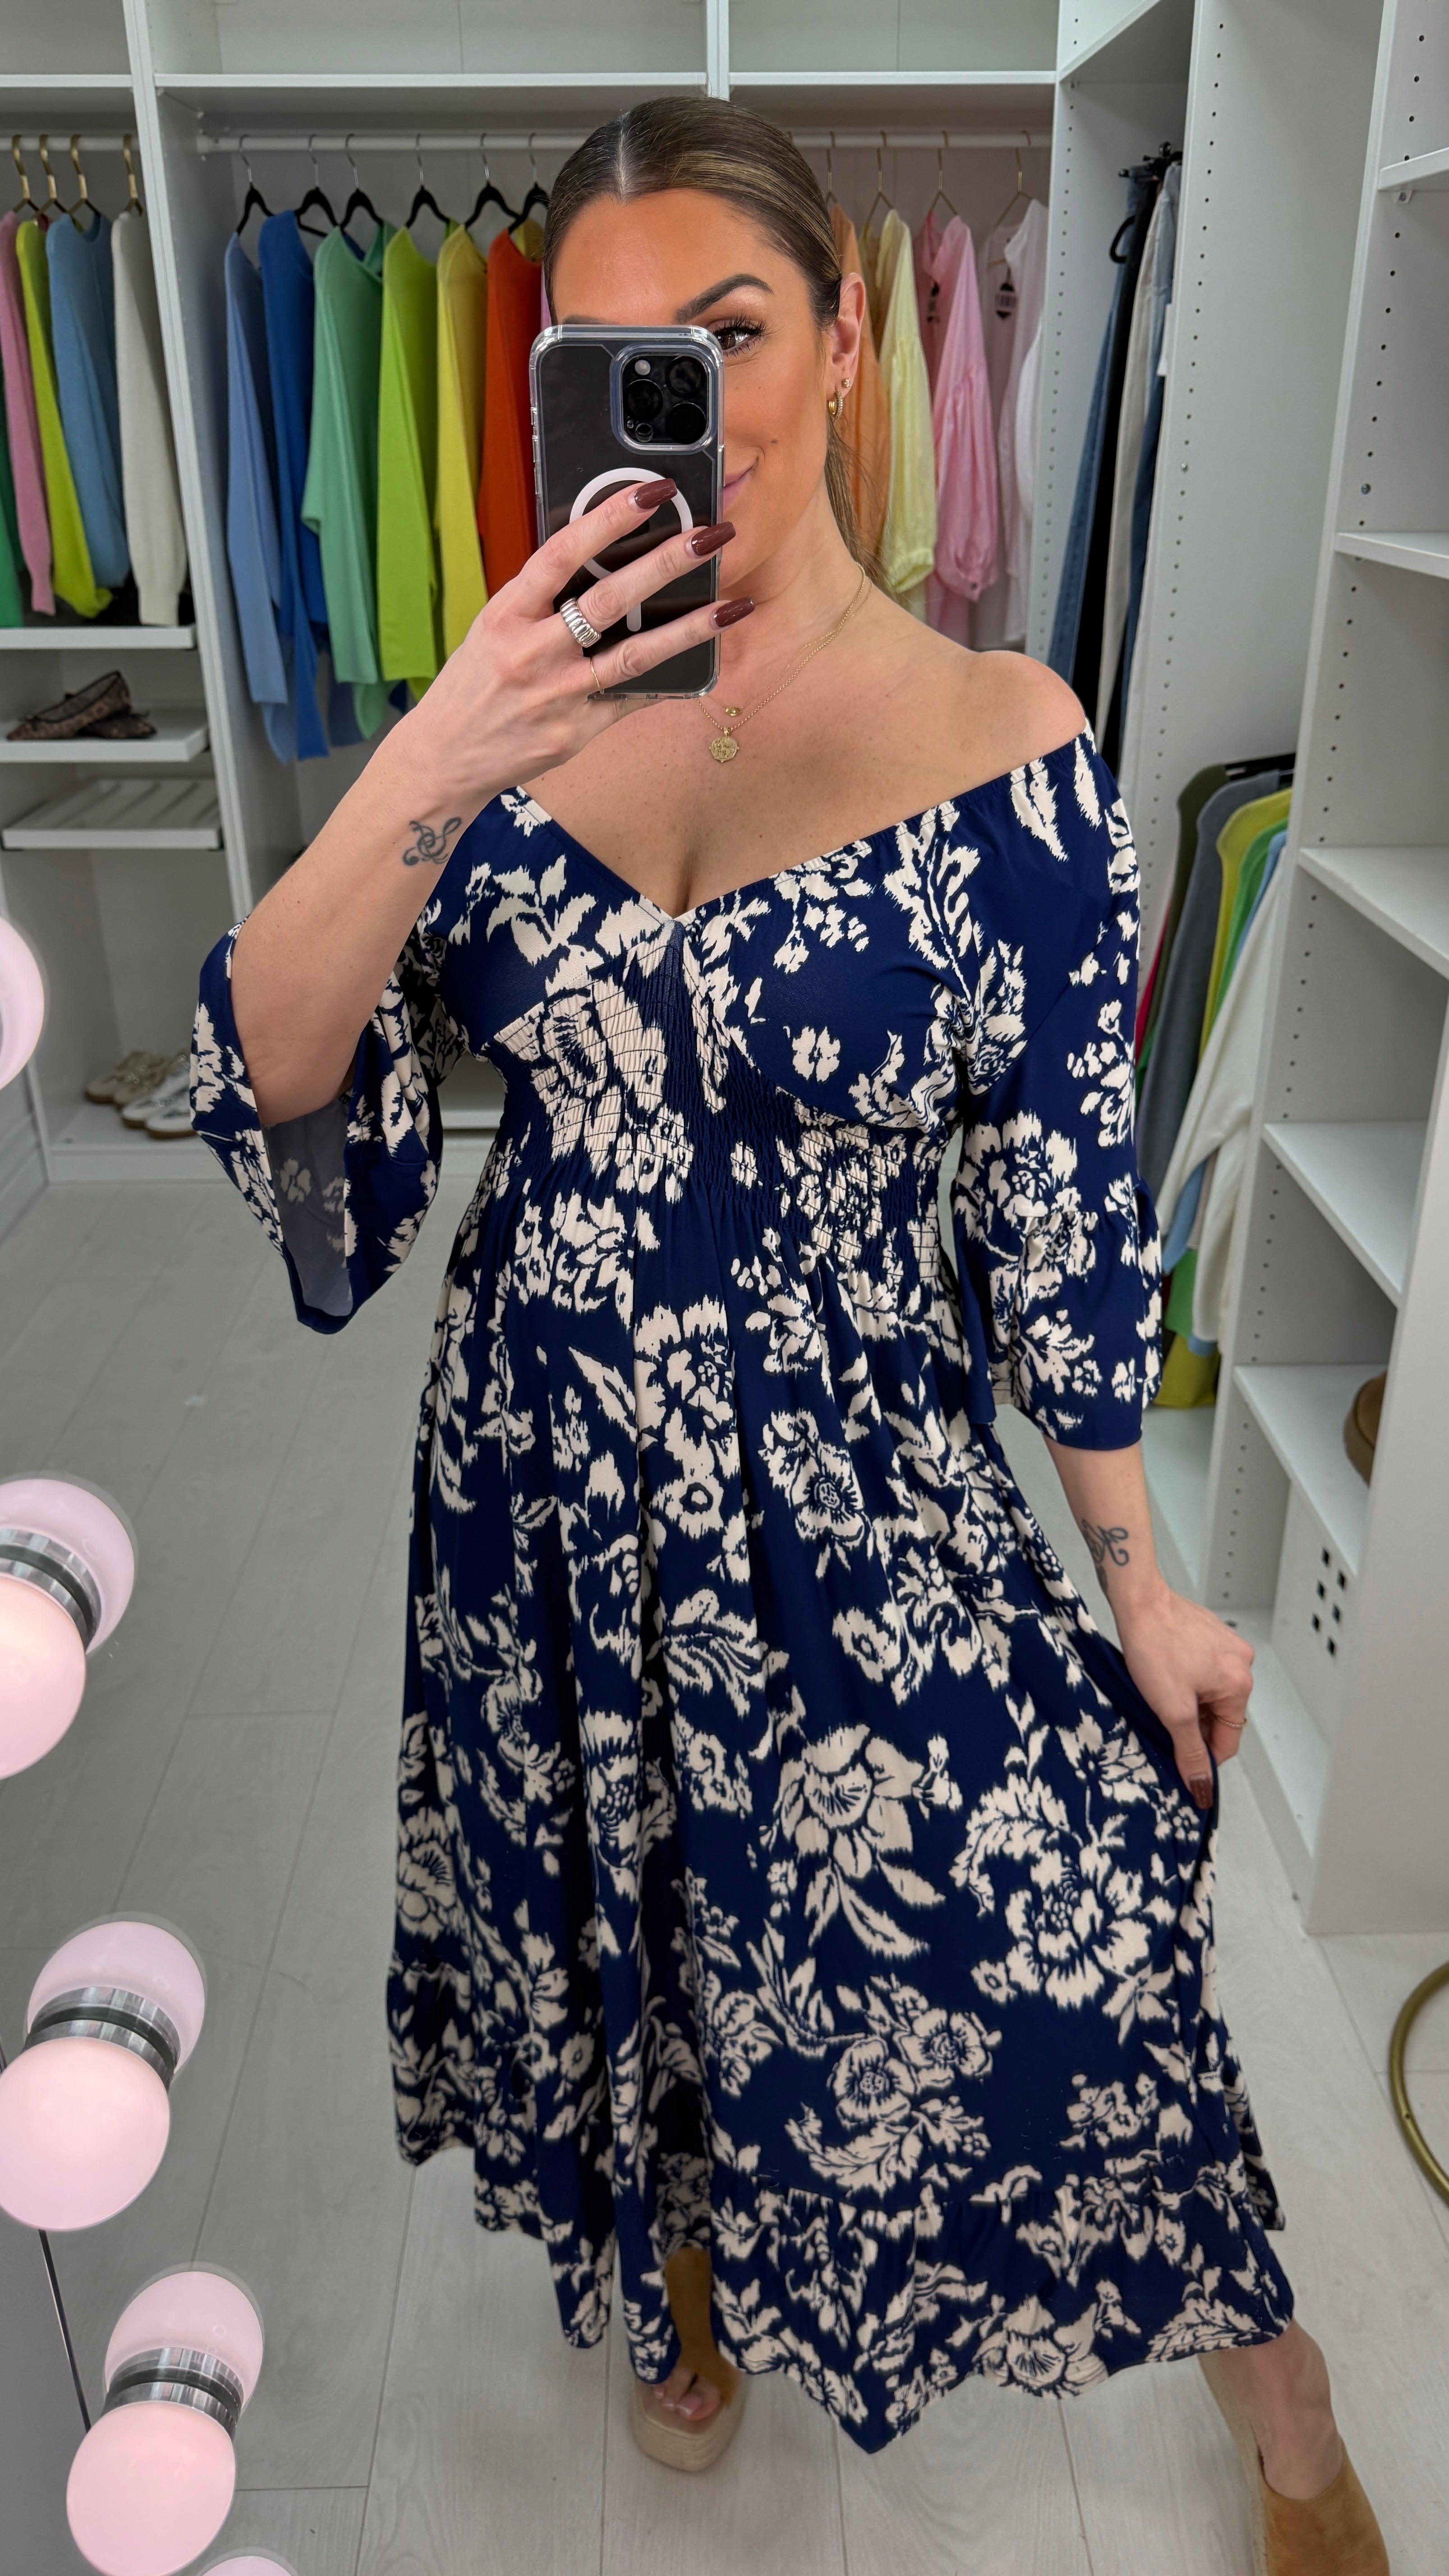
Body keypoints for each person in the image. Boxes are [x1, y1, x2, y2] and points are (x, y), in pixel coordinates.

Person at [193, 97, 1387, 2567]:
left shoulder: (1011, 744)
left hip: (860, 1482)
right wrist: (440, 746)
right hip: (540, 1491)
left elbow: (1066, 1213)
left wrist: (1142, 1581)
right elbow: (280, 1069)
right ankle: (683, 2285)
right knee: (627, 1931)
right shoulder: (500, 722)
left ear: (848, 340)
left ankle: (1281, 2395)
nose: (692, 404)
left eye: (729, 332)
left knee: (1066, 1944)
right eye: (615, 358)